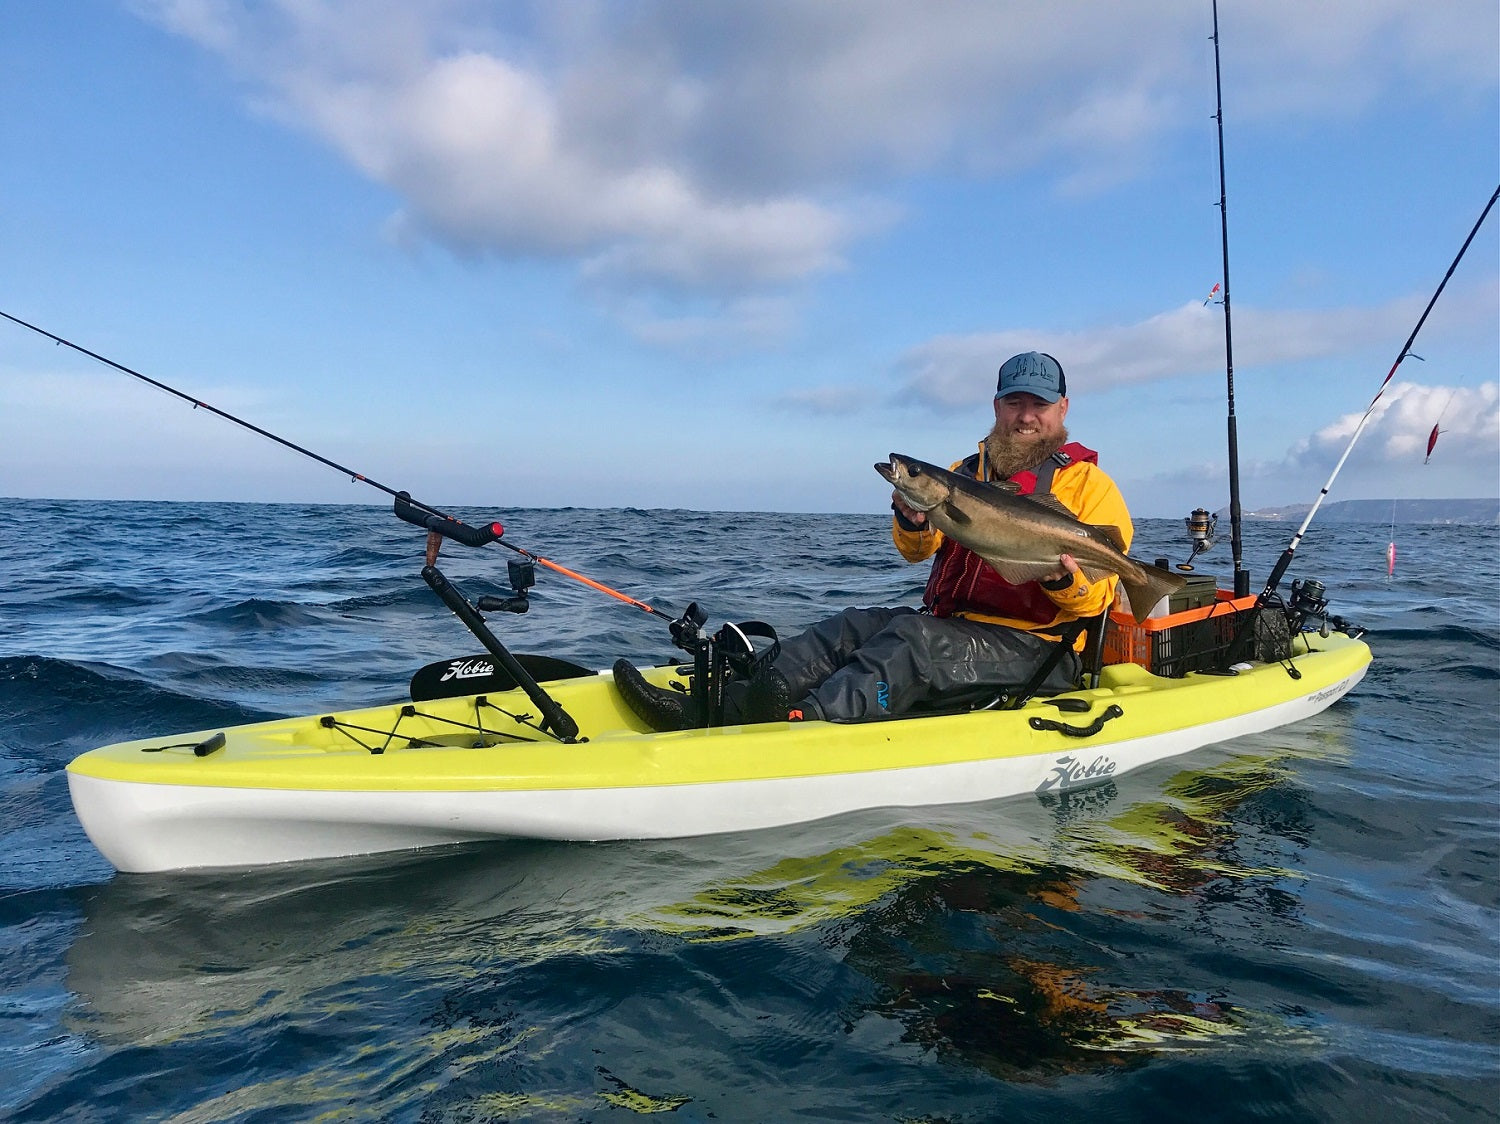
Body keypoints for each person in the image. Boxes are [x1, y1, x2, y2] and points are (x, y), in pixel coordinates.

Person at [612, 351, 1134, 729]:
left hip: (1040, 647)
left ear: (1062, 409)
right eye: (1014, 402)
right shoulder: (965, 473)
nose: (1025, 416)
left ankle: (804, 723)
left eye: (1038, 405)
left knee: (912, 645)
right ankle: (720, 707)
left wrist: (1066, 580)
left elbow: (1098, 597)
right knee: (848, 628)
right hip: (954, 624)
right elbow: (918, 553)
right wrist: (911, 521)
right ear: (996, 406)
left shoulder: (1089, 486)